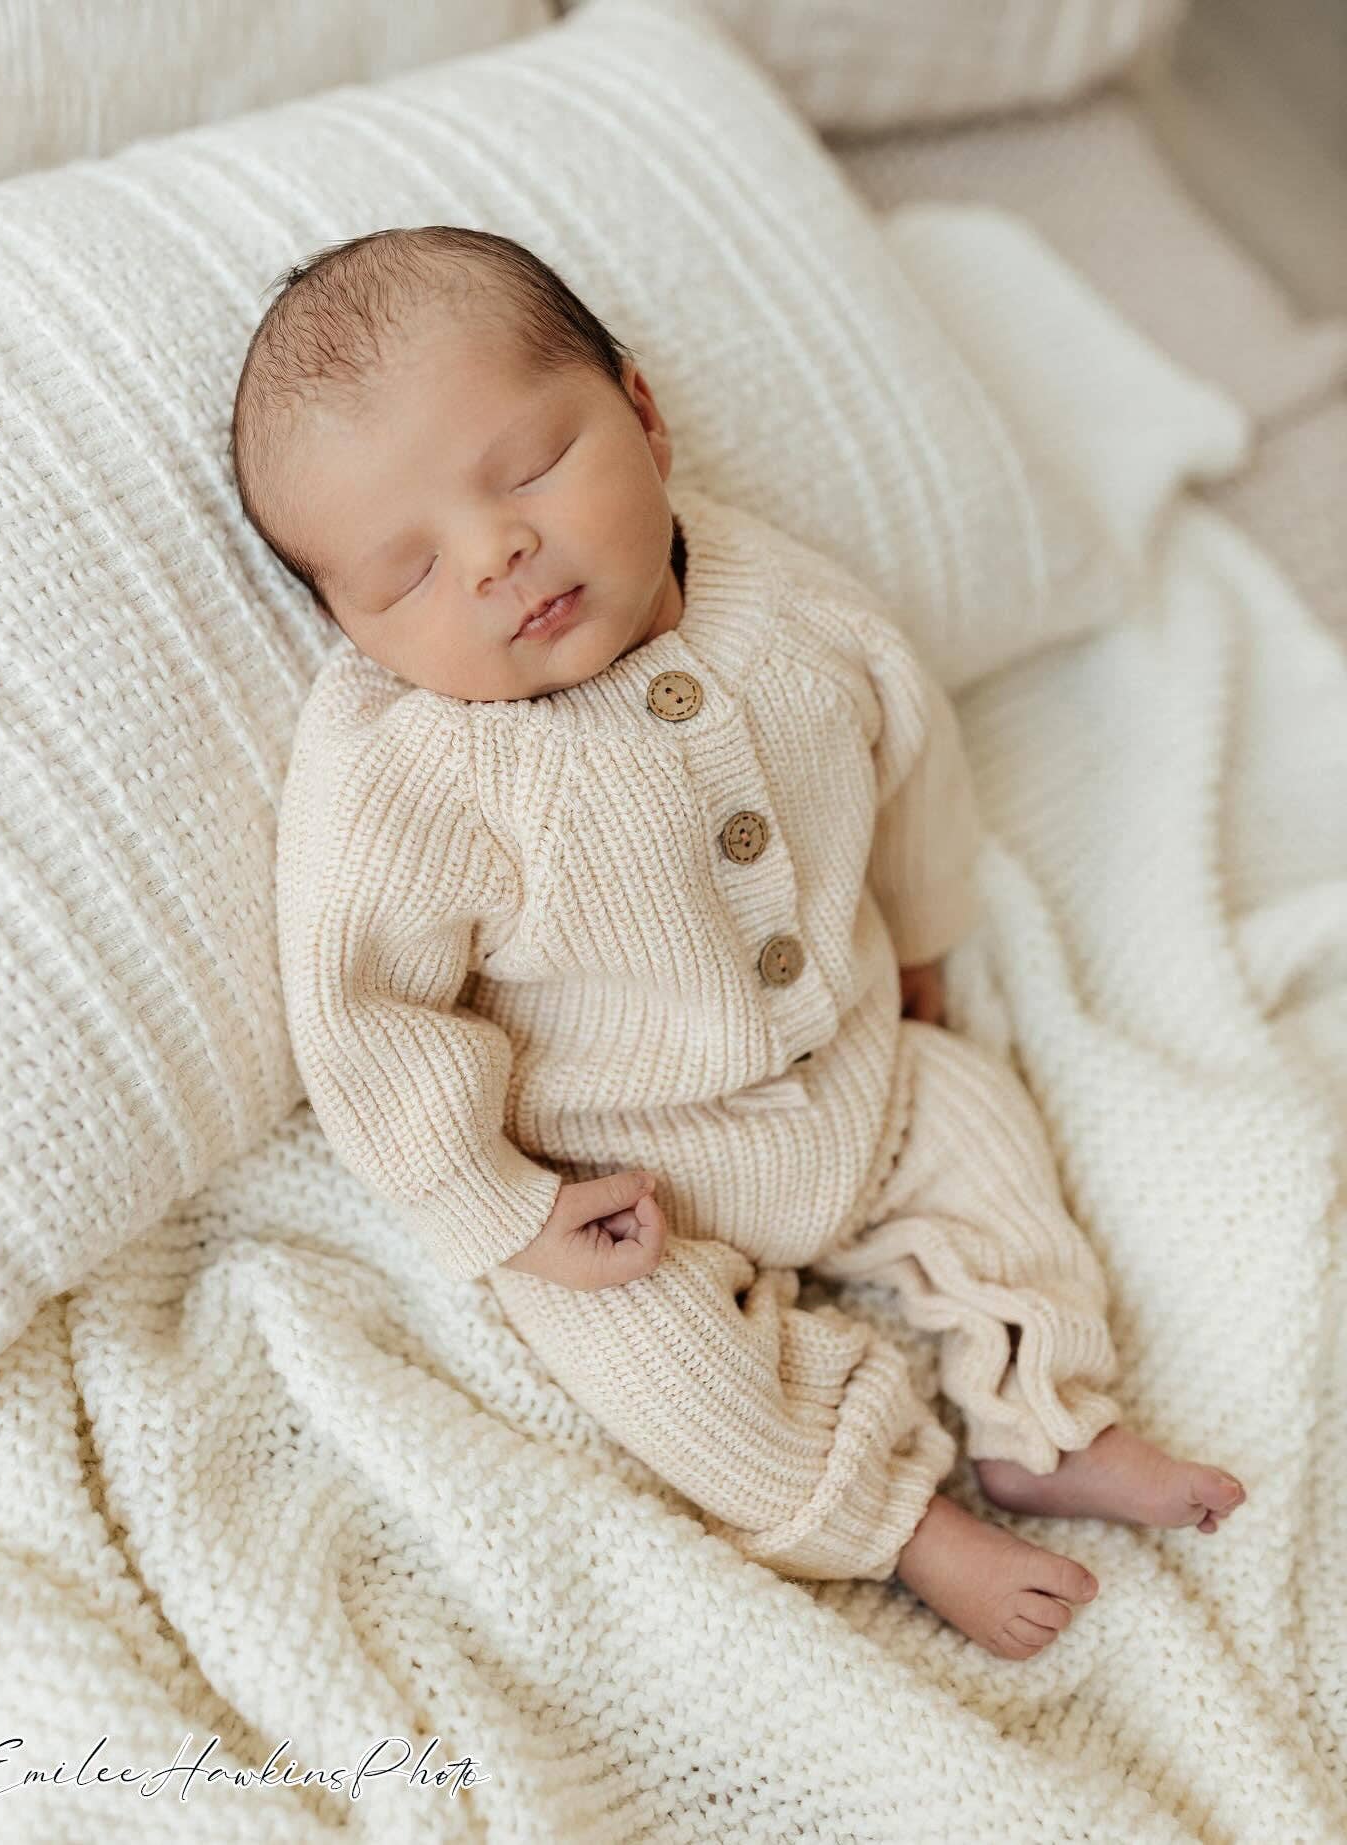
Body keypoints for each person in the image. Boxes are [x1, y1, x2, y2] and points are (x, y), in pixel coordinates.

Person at [238, 225, 1247, 1661]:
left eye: (526, 470)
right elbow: (365, 1019)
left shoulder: (786, 604)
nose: (494, 553)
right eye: (405, 574)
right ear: (351, 629)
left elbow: (908, 763)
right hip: (625, 1180)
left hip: (856, 1078)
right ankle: (901, 1523)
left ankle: (1046, 1416)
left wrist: (919, 941)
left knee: (983, 1131)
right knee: (646, 1354)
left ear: (642, 414)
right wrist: (508, 1209)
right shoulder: (411, 777)